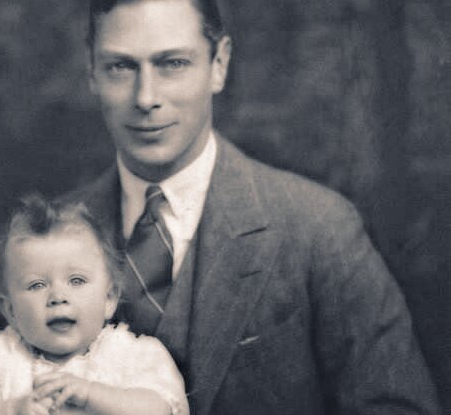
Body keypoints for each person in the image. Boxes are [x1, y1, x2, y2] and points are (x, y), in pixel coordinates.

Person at [61, 0, 443, 414]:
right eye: (121, 67)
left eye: (172, 64)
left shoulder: (318, 228)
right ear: (91, 72)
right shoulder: (46, 232)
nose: (146, 97)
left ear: (219, 64)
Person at [0, 194, 189, 415]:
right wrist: (9, 409)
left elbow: (161, 407)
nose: (57, 296)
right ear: (10, 310)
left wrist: (90, 394)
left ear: (109, 299)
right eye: (37, 285)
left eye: (76, 281)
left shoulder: (133, 356)